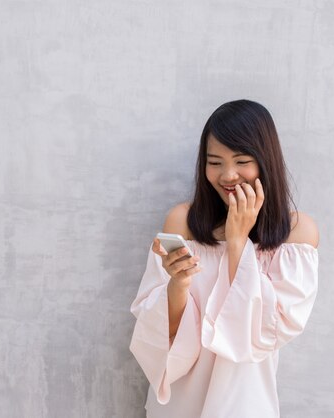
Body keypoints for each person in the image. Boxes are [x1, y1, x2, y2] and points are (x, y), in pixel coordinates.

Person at [129, 99, 320, 418]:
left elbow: (264, 333)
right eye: (214, 162)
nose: (227, 175)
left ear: (265, 161)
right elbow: (160, 333)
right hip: (180, 404)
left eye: (242, 161)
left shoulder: (296, 235)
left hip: (245, 403)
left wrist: (237, 240)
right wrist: (178, 284)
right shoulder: (182, 222)